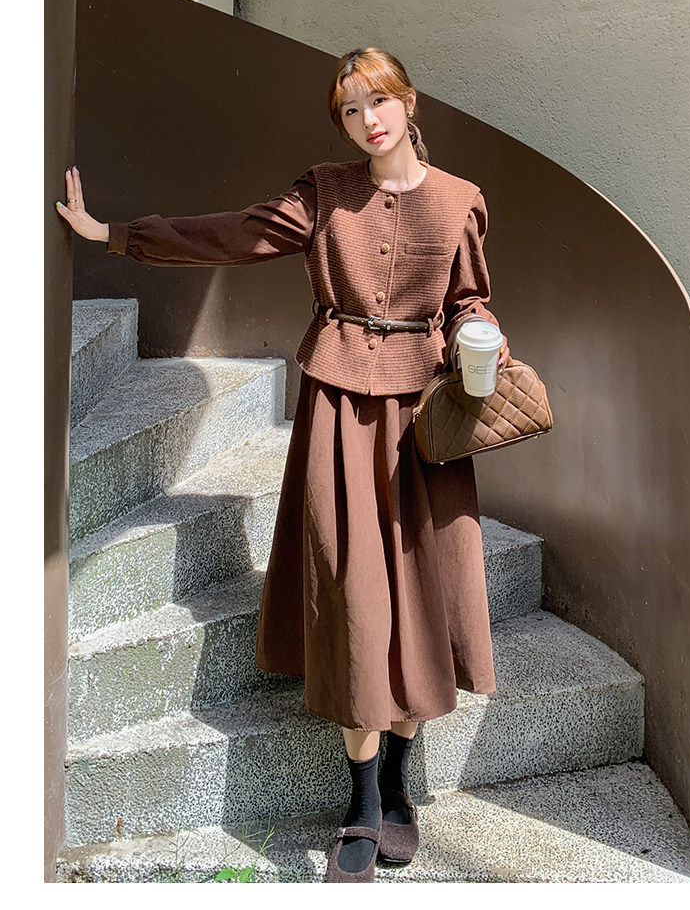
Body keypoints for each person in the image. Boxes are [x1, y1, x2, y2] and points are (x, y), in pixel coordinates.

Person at [57, 46, 510, 884]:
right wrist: (116, 235)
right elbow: (234, 234)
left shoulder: (460, 201)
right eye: (351, 109)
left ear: (409, 102)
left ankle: (400, 783)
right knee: (353, 595)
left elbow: (467, 300)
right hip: (339, 411)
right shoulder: (324, 193)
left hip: (422, 420)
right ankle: (362, 801)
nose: (368, 120)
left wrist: (482, 332)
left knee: (422, 595)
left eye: (380, 101)